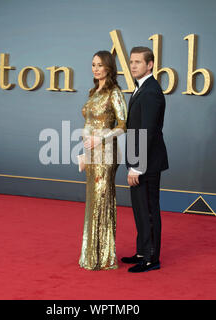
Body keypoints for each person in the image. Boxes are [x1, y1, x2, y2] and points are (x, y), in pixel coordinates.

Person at [78, 50, 127, 270]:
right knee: (93, 201)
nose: (96, 69)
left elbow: (122, 125)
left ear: (109, 67)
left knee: (102, 200)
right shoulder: (93, 92)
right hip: (90, 153)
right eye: (93, 64)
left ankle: (104, 256)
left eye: (100, 65)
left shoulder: (114, 92)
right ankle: (91, 255)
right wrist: (84, 152)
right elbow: (89, 124)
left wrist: (100, 137)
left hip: (106, 153)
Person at [122, 46, 169, 273]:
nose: (133, 66)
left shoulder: (150, 91)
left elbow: (148, 131)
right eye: (131, 62)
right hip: (139, 160)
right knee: (140, 209)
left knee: (149, 210)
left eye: (138, 62)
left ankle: (151, 259)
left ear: (150, 64)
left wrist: (137, 167)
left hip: (147, 163)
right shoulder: (141, 88)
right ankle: (142, 251)